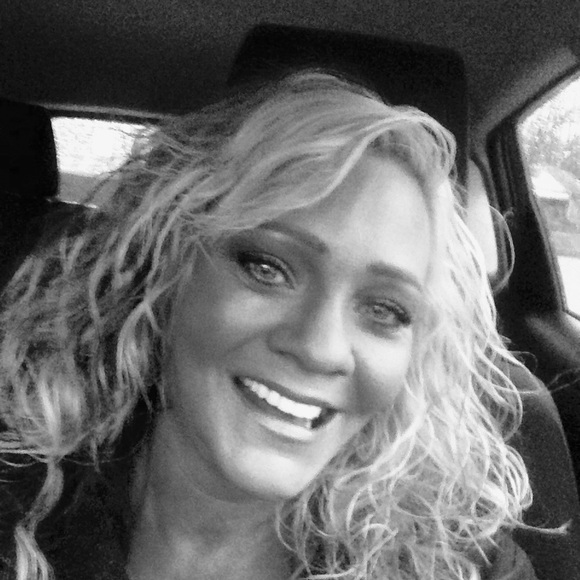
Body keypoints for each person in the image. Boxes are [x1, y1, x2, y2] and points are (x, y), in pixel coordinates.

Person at [0, 71, 539, 580]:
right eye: (268, 268)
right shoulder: (16, 491)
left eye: (385, 310)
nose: (321, 348)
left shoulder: (459, 566)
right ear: (167, 269)